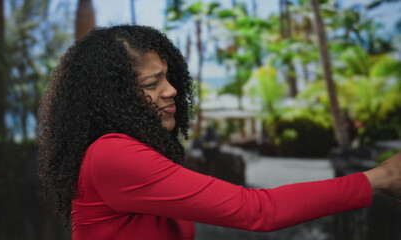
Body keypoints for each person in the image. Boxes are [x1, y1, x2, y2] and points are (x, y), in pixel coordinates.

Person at [37, 25, 401, 240]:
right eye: (153, 82)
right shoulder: (113, 155)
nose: (171, 90)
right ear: (113, 97)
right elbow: (259, 211)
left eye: (167, 75)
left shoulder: (119, 149)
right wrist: (380, 177)